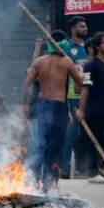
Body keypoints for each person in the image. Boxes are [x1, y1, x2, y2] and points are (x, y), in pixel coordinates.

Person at [22, 38, 83, 191]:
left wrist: (24, 104)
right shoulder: (67, 62)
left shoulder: (39, 62)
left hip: (43, 105)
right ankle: (48, 183)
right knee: (55, 148)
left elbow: (26, 84)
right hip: (58, 107)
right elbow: (78, 88)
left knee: (41, 147)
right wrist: (81, 71)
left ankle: (34, 180)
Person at [76, 32, 104, 183]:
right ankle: (93, 171)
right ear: (97, 46)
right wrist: (81, 110)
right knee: (95, 141)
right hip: (95, 109)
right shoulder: (90, 66)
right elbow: (85, 88)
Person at [60, 16, 89, 177]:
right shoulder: (66, 48)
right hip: (72, 96)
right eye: (82, 26)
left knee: (84, 135)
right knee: (71, 134)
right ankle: (64, 169)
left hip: (87, 95)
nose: (85, 29)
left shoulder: (89, 47)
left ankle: (83, 169)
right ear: (73, 29)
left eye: (85, 26)